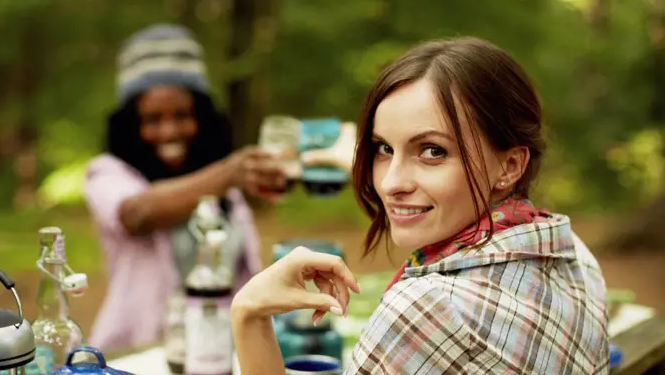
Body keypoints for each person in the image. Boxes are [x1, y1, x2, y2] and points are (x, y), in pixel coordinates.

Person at [230, 37, 610, 374]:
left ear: (510, 165)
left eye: (432, 151)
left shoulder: (428, 309)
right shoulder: (568, 252)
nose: (392, 183)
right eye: (384, 148)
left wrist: (248, 312)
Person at [84, 24, 285, 351]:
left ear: (202, 117)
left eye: (182, 115)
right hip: (141, 354)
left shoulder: (220, 180)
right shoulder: (107, 173)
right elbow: (137, 214)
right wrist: (228, 173)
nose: (169, 131)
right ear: (131, 125)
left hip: (225, 348)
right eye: (152, 119)